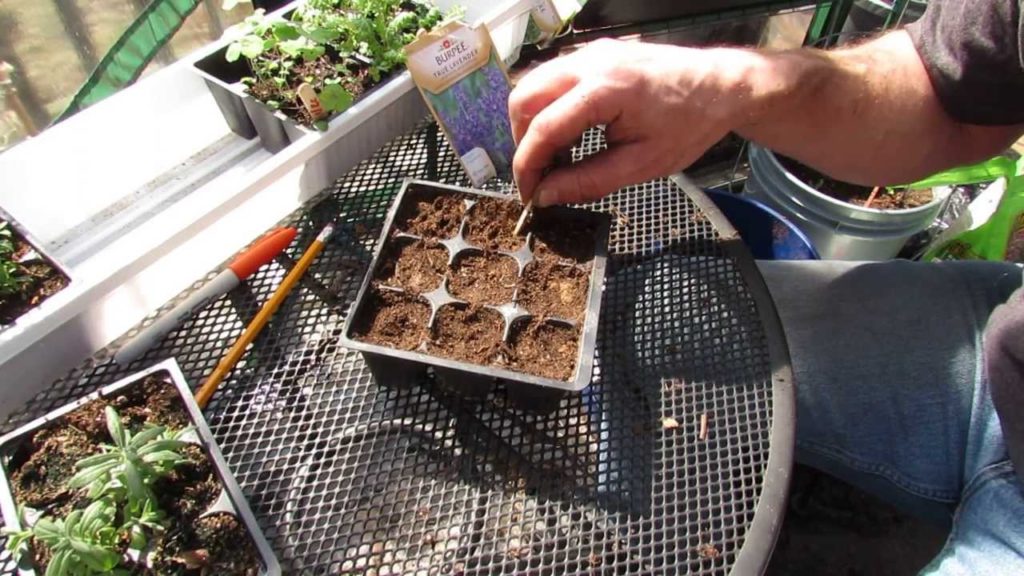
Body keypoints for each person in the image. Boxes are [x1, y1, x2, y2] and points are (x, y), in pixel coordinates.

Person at [509, 1, 1024, 574]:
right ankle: (639, 528)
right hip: (997, 356)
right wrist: (722, 86)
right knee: (645, 305)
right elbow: (940, 93)